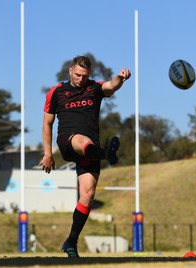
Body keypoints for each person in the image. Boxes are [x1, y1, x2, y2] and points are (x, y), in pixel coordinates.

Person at [40, 55, 131, 257]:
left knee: (88, 194)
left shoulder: (93, 88)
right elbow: (47, 123)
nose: (81, 79)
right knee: (82, 140)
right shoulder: (57, 92)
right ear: (71, 71)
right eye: (79, 75)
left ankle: (71, 241)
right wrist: (48, 154)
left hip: (91, 147)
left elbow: (111, 86)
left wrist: (121, 77)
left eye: (85, 75)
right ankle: (105, 153)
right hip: (68, 140)